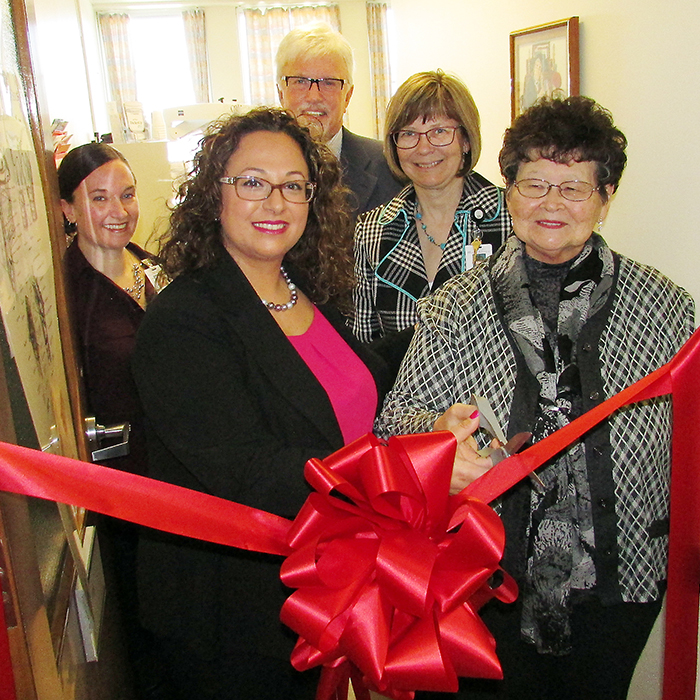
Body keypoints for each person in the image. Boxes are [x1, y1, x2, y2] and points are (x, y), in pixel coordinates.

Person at [375, 96, 695, 700]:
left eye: (574, 188)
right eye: (535, 184)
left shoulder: (667, 307)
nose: (551, 205)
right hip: (486, 575)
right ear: (508, 191)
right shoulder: (454, 304)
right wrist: (438, 439)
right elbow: (394, 425)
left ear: (606, 199)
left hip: (622, 576)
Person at [131, 107, 387, 700]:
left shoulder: (306, 291)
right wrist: (396, 476)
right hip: (235, 615)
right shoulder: (185, 320)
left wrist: (431, 431)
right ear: (213, 196)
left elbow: (353, 396)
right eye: (252, 182)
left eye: (293, 186)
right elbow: (249, 468)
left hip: (318, 590)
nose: (275, 202)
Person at [58, 143, 168, 699]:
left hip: (175, 470)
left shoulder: (152, 267)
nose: (118, 210)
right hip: (118, 486)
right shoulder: (67, 295)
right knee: (138, 620)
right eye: (98, 198)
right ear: (68, 210)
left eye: (126, 195)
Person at [352, 70, 511, 348]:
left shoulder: (511, 220)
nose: (423, 148)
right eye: (409, 133)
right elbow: (365, 347)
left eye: (439, 131)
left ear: (465, 140)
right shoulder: (372, 231)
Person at [276, 22, 401, 220]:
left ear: (348, 96)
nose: (314, 96)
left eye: (329, 83)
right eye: (300, 81)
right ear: (281, 93)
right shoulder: (254, 171)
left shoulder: (391, 166)